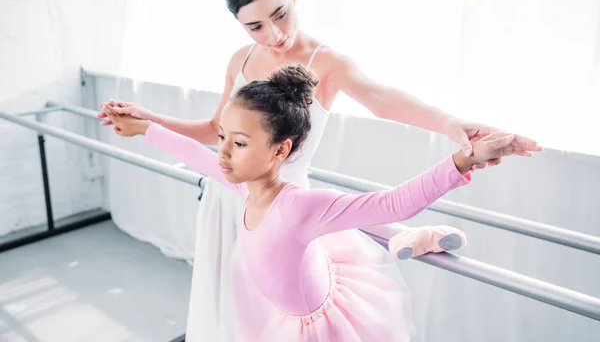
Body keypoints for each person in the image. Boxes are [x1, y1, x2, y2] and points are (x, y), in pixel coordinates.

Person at [97, 0, 541, 339]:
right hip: (231, 190)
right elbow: (216, 131)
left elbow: (384, 99)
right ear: (238, 23)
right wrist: (149, 121)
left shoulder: (325, 61)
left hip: (288, 207)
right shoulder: (241, 59)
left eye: (281, 14)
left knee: (289, 308)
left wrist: (451, 125)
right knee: (233, 308)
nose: (274, 34)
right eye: (254, 25)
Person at [101, 64, 535, 341]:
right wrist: (145, 129)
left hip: (320, 328)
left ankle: (421, 238)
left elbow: (391, 204)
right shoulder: (242, 186)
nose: (223, 153)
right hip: (282, 315)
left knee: (368, 220)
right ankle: (411, 239)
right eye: (222, 139)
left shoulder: (298, 206)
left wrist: (462, 159)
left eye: (238, 142)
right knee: (351, 224)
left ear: (279, 151)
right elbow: (196, 155)